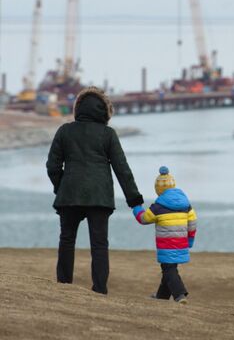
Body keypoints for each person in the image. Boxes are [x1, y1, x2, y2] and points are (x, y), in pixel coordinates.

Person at [46, 86, 143, 294]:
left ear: (78, 108)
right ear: (104, 111)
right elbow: (122, 169)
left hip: (69, 195)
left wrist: (61, 187)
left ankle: (63, 285)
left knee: (67, 239)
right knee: (99, 244)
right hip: (100, 197)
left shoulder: (64, 130)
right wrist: (135, 201)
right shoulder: (108, 134)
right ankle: (99, 289)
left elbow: (52, 166)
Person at [132, 166, 197, 304]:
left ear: (158, 190)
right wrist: (190, 240)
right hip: (181, 243)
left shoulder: (158, 206)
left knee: (168, 269)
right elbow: (192, 222)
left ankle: (180, 295)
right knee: (169, 267)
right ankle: (161, 297)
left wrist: (136, 207)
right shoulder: (186, 205)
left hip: (166, 244)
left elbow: (143, 219)